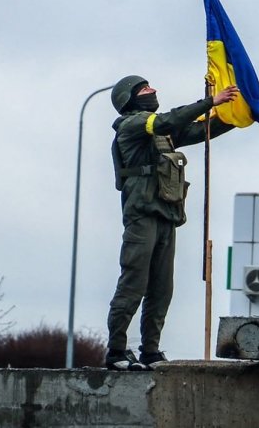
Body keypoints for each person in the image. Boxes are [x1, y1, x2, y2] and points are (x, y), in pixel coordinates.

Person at [105, 75, 239, 371]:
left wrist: (237, 115)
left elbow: (198, 131)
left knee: (162, 288)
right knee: (133, 284)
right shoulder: (134, 125)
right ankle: (116, 351)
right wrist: (209, 102)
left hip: (166, 214)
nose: (153, 91)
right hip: (142, 215)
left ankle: (150, 350)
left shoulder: (158, 133)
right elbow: (167, 121)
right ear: (129, 99)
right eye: (144, 89)